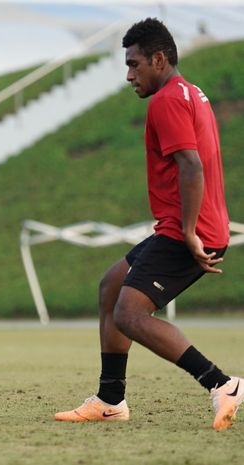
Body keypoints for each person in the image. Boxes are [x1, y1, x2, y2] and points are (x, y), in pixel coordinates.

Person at [55, 18, 242, 431]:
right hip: (183, 226)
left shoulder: (166, 101)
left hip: (187, 231)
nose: (129, 75)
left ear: (159, 59)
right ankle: (110, 399)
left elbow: (191, 166)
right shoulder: (192, 93)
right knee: (111, 288)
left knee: (130, 314)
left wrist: (190, 233)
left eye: (135, 64)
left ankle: (222, 384)